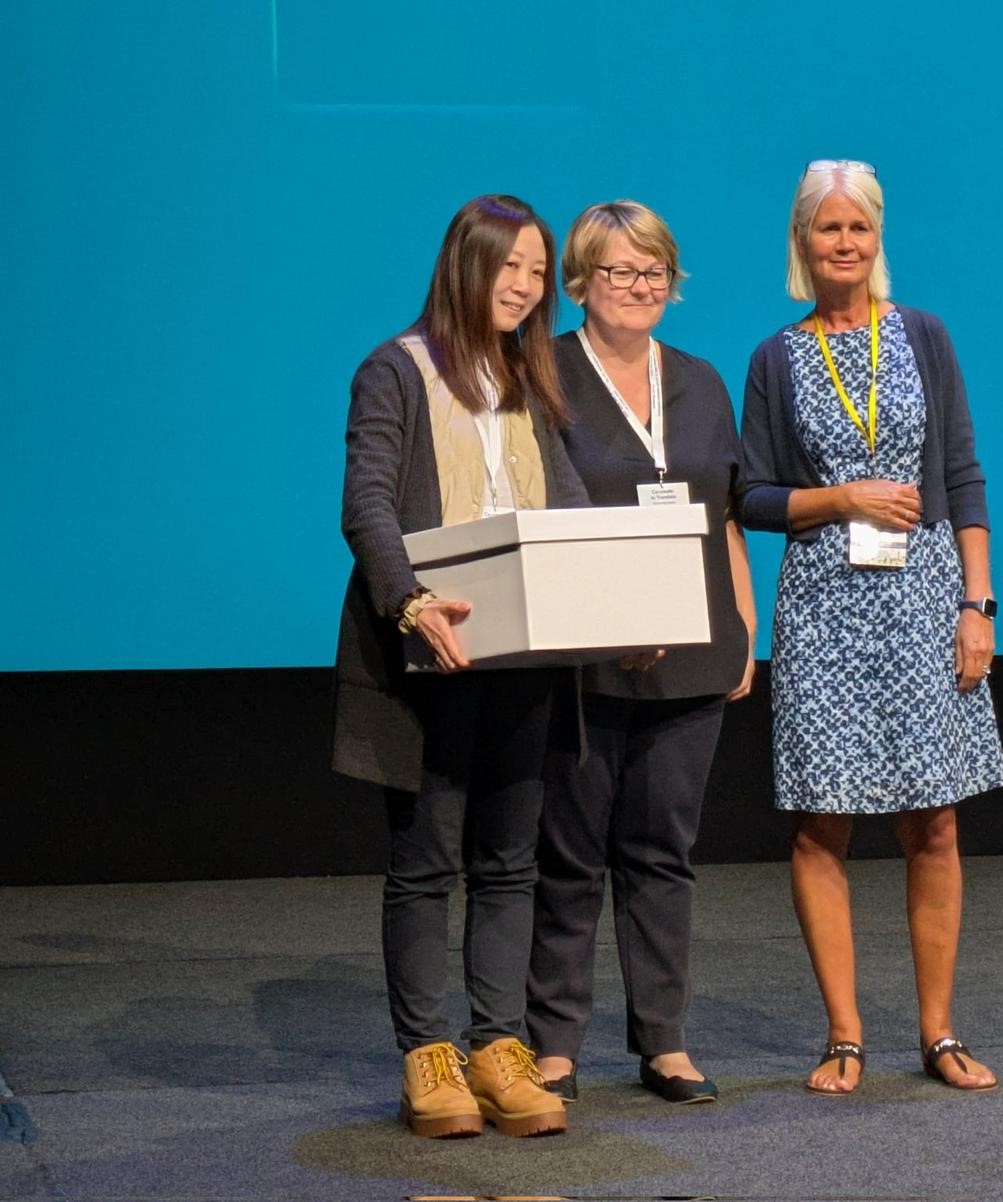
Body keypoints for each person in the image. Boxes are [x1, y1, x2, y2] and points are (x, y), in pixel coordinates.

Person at [737, 161, 1003, 1094]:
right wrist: (841, 497)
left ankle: (938, 1033)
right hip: (822, 606)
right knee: (824, 823)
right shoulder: (777, 356)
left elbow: (962, 475)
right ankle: (844, 1036)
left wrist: (977, 605)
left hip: (925, 598)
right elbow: (752, 495)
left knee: (934, 821)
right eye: (828, 228)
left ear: (877, 237)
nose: (844, 243)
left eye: (858, 227)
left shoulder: (923, 335)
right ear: (802, 241)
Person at [333, 194, 589, 1138]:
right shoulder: (395, 370)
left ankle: (497, 1048)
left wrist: (617, 601)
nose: (524, 286)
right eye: (508, 266)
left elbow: (566, 508)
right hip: (426, 653)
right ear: (465, 264)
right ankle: (426, 1057)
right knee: (426, 863)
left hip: (521, 655)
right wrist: (409, 600)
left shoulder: (529, 378)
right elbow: (367, 503)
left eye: (537, 271)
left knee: (511, 861)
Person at [526, 201, 757, 1106]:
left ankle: (664, 1041)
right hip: (583, 658)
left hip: (694, 651)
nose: (639, 286)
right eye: (619, 271)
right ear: (581, 282)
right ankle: (554, 1044)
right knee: (571, 854)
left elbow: (724, 513)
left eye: (654, 270)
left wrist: (745, 629)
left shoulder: (699, 379)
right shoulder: (541, 373)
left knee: (663, 852)